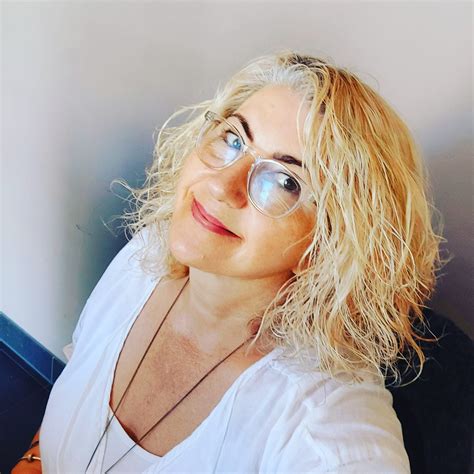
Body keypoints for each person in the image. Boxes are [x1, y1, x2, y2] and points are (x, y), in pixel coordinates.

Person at [13, 50, 445, 473]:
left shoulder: (324, 431)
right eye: (233, 139)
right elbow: (75, 395)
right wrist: (34, 460)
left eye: (285, 181)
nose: (221, 185)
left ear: (329, 242)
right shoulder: (145, 255)